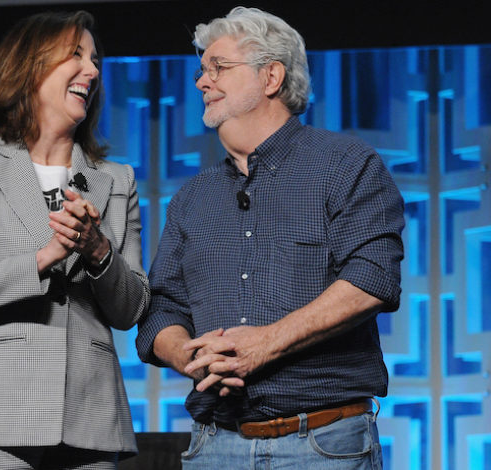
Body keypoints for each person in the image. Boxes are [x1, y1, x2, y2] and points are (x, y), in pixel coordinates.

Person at [136, 6, 404, 469]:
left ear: (271, 77)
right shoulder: (191, 199)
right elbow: (161, 310)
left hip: (322, 445)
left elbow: (373, 278)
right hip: (215, 446)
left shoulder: (345, 164)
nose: (202, 82)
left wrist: (266, 343)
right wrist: (190, 354)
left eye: (219, 67)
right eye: (202, 71)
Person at [0, 11, 149, 470]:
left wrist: (98, 251)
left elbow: (132, 308)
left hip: (87, 420)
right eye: (76, 55)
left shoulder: (116, 180)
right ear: (30, 66)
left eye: (95, 60)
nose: (92, 70)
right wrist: (48, 255)